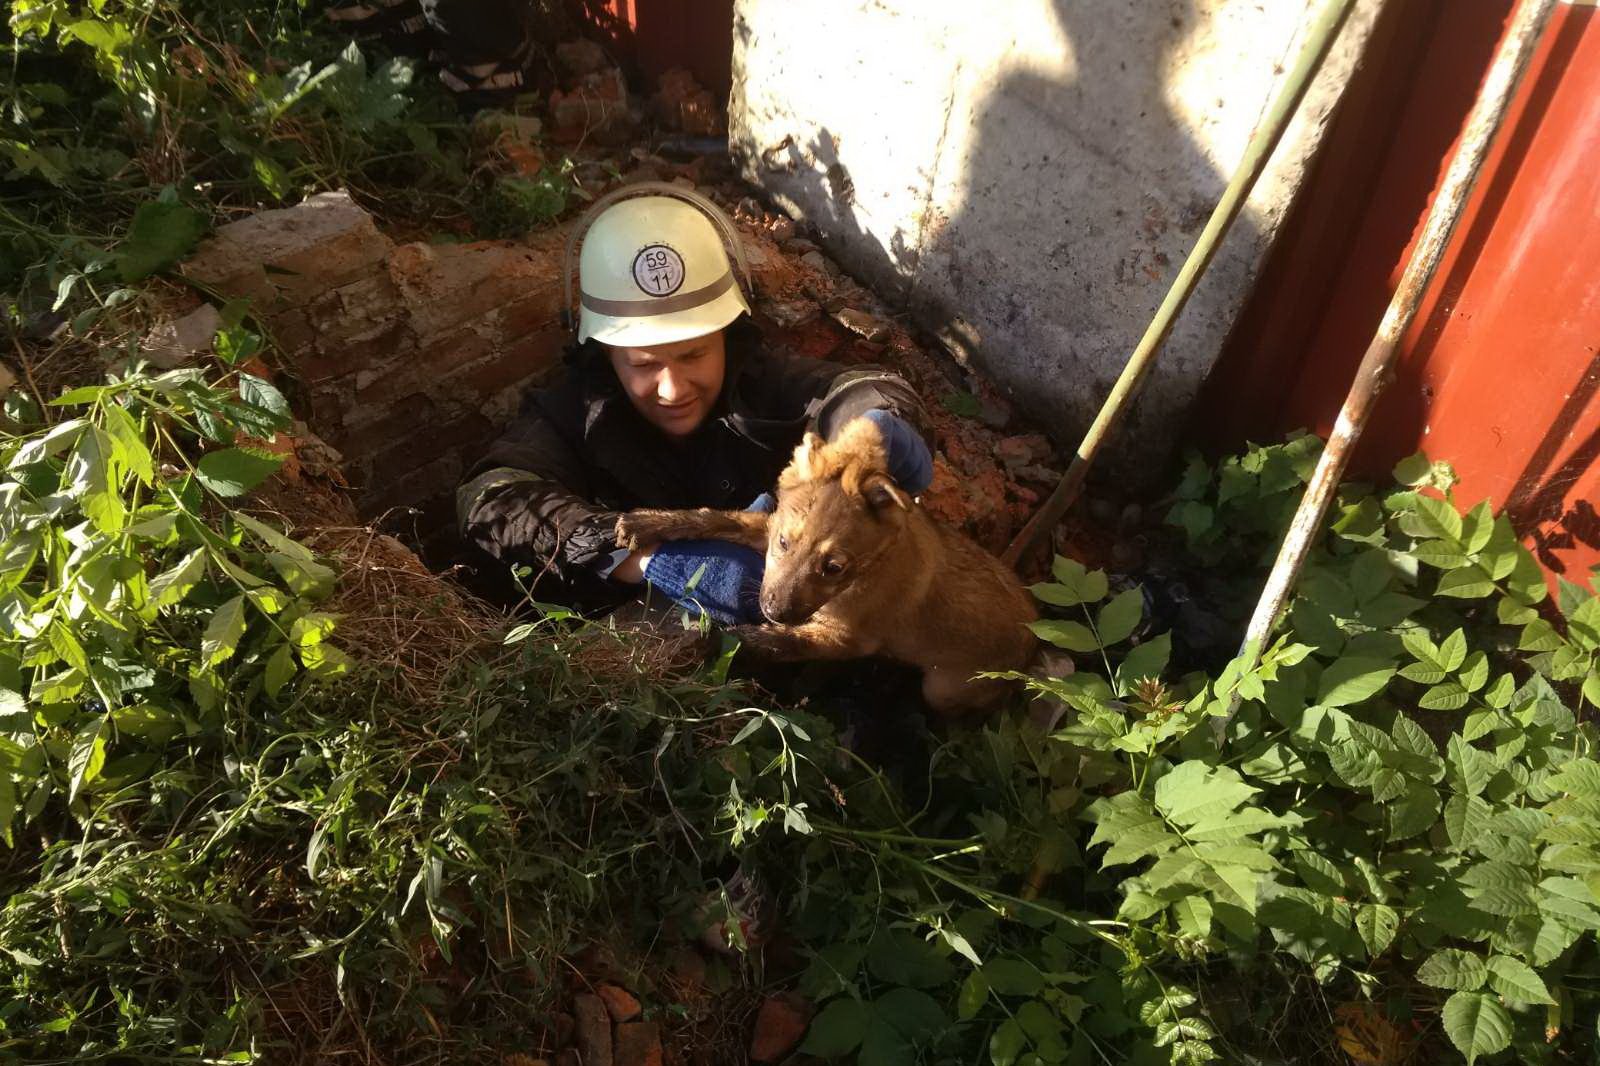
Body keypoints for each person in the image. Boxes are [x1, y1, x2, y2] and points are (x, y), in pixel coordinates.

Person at [455, 183, 934, 621]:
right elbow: (490, 500)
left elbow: (861, 386)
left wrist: (874, 430)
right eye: (644, 364)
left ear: (727, 335)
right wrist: (645, 558)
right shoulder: (572, 414)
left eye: (694, 355)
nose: (673, 389)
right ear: (604, 352)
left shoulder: (762, 380)